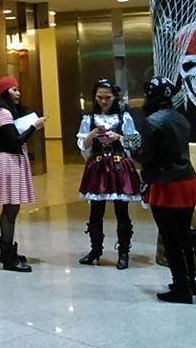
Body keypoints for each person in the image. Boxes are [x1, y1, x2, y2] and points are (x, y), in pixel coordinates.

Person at [136, 76, 196, 304]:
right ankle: (191, 281)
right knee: (184, 234)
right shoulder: (180, 118)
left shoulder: (152, 121)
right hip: (187, 179)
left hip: (165, 183)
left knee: (170, 237)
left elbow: (147, 156)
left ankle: (180, 287)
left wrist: (132, 151)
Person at [76, 78, 142, 269]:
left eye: (107, 97)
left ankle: (123, 252)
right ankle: (95, 250)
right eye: (99, 97)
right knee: (95, 211)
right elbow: (83, 145)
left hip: (119, 166)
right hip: (97, 167)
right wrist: (92, 135)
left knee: (122, 210)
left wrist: (118, 137)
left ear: (114, 97)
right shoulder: (89, 119)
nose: (103, 101)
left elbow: (135, 142)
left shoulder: (124, 117)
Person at [0, 75, 46, 272]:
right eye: (14, 90)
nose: (18, 93)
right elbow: (14, 141)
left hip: (12, 161)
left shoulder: (7, 112)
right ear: (5, 92)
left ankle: (8, 252)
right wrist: (33, 127)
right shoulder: (2, 113)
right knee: (10, 209)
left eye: (18, 89)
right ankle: (8, 259)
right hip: (8, 162)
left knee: (11, 208)